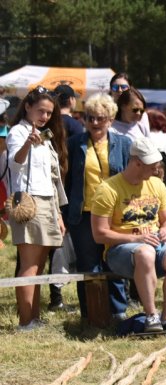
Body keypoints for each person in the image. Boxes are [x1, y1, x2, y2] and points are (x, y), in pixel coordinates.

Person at [90, 136, 166, 332]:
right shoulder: (108, 189)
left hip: (153, 245)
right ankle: (151, 316)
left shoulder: (157, 184)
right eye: (153, 165)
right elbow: (99, 234)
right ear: (136, 163)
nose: (157, 169)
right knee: (145, 252)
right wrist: (136, 238)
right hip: (120, 252)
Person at [64, 93, 131, 322]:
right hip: (84, 214)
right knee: (88, 263)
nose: (94, 123)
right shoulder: (74, 144)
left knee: (116, 259)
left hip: (114, 213)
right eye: (90, 117)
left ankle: (118, 311)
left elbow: (130, 177)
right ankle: (91, 314)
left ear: (110, 119)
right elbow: (68, 181)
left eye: (100, 118)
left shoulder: (123, 143)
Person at [6, 87, 69, 331]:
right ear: (28, 107)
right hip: (28, 203)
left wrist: (58, 212)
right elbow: (14, 163)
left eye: (49, 113)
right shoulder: (18, 132)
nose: (44, 116)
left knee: (39, 266)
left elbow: (52, 180)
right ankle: (25, 321)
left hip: (47, 203)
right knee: (29, 265)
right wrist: (26, 145)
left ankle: (33, 316)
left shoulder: (44, 135)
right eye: (41, 111)